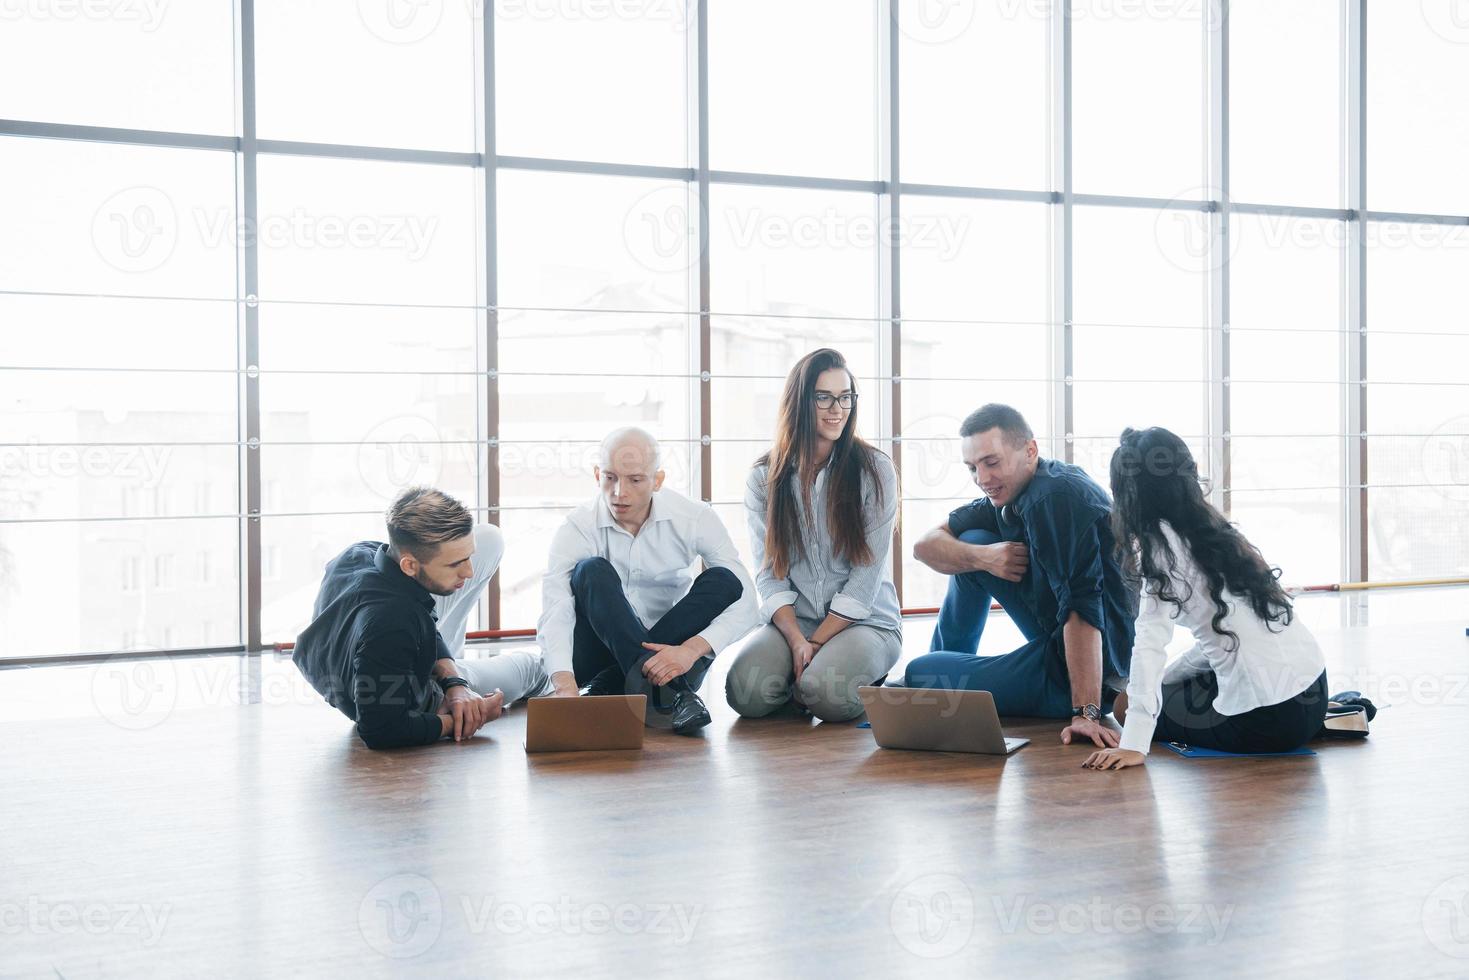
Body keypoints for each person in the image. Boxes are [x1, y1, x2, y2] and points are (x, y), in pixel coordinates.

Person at [1083, 427, 1328, 770]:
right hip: (1314, 695)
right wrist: (1172, 677)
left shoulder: (1158, 550)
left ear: (1126, 495)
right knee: (1181, 680)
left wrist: (1135, 744)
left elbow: (1148, 649)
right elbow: (1226, 632)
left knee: (1123, 705)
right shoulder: (1215, 531)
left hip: (1268, 723)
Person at [904, 404, 1138, 748]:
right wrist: (985, 558)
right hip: (1056, 637)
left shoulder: (1056, 499)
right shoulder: (1014, 492)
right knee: (972, 544)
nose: (982, 479)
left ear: (1030, 450)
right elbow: (924, 546)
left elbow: (1083, 608)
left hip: (1088, 671)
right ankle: (951, 669)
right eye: (973, 468)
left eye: (992, 462)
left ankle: (941, 681)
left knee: (919, 672)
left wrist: (1085, 714)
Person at [537, 426, 758, 734]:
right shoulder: (578, 526)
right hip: (598, 650)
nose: (619, 492)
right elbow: (556, 608)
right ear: (597, 474)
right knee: (591, 570)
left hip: (672, 654)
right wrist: (563, 686)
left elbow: (748, 600)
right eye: (610, 477)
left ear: (657, 481)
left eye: (635, 480)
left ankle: (613, 685)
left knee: (725, 580)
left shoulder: (694, 517)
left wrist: (690, 651)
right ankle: (678, 694)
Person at [293, 487, 551, 750]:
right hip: (406, 693)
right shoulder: (393, 624)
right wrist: (469, 716)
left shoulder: (360, 553)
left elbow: (421, 618)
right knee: (534, 668)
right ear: (410, 565)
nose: (470, 571)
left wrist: (455, 682)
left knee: (490, 538)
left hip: (375, 661)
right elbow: (381, 730)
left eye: (468, 556)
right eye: (455, 564)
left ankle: (455, 669)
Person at [725, 348, 901, 723]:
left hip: (866, 622)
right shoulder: (763, 478)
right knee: (745, 692)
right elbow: (770, 576)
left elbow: (864, 582)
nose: (837, 408)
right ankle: (805, 681)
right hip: (796, 622)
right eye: (823, 397)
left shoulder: (876, 471)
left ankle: (824, 681)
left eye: (845, 397)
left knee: (827, 694)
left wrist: (818, 644)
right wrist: (797, 641)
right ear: (799, 401)